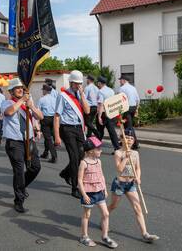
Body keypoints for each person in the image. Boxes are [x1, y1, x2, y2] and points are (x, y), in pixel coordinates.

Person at [108, 128, 159, 243]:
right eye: (127, 138)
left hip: (131, 184)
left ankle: (145, 234)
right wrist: (126, 157)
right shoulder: (118, 153)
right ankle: (104, 218)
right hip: (119, 184)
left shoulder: (136, 153)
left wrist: (138, 177)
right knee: (113, 206)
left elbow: (138, 168)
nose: (129, 140)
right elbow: (119, 169)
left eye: (131, 138)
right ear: (121, 139)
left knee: (138, 208)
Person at [2, 78, 43, 213]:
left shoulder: (28, 103)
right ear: (11, 91)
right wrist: (21, 101)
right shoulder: (6, 102)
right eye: (17, 88)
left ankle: (21, 186)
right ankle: (19, 200)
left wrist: (31, 106)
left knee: (35, 167)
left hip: (29, 141)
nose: (20, 90)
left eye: (22, 88)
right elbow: (9, 112)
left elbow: (40, 116)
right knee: (19, 171)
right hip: (15, 142)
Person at [54, 70, 90, 198]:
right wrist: (57, 136)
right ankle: (76, 188)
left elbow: (87, 110)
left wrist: (82, 95)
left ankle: (66, 173)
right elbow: (57, 116)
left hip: (79, 128)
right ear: (70, 82)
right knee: (75, 158)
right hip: (67, 129)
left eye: (80, 84)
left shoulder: (80, 95)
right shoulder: (63, 96)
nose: (78, 86)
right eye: (76, 84)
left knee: (82, 155)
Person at [77, 136, 118, 249]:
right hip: (88, 193)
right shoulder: (84, 163)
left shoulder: (98, 161)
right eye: (98, 149)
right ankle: (84, 236)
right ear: (90, 151)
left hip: (99, 191)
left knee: (106, 214)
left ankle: (105, 236)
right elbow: (79, 180)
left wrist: (104, 189)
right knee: (87, 215)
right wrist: (84, 194)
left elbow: (101, 175)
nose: (101, 151)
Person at [96, 76, 120, 152]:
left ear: (100, 83)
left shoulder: (101, 91)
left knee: (99, 131)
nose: (97, 84)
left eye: (98, 82)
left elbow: (101, 104)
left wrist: (99, 116)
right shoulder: (111, 90)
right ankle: (117, 148)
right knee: (112, 131)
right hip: (111, 113)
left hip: (103, 113)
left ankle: (97, 148)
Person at [37, 84, 58, 163]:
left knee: (48, 138)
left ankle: (54, 156)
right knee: (49, 138)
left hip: (45, 119)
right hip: (53, 118)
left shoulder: (42, 99)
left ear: (45, 91)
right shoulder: (55, 99)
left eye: (43, 90)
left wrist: (38, 122)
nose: (42, 91)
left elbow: (38, 111)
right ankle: (45, 153)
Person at [119, 75, 140, 149]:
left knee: (128, 126)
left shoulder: (122, 88)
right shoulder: (133, 88)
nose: (119, 81)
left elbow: (120, 100)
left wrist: (120, 112)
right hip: (133, 108)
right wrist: (136, 110)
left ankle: (135, 144)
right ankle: (127, 141)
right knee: (129, 126)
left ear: (124, 80)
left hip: (127, 108)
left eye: (120, 80)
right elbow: (138, 99)